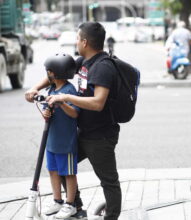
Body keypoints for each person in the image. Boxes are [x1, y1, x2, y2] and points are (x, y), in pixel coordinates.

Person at [25, 22, 122, 220]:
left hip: (101, 135)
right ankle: (74, 207)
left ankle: (111, 217)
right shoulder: (83, 62)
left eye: (77, 38)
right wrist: (35, 88)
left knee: (108, 181)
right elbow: (56, 75)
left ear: (85, 42)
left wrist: (65, 97)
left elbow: (98, 103)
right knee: (62, 165)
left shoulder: (103, 67)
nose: (76, 42)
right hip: (83, 131)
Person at [42, 54, 80, 219]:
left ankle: (70, 204)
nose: (47, 74)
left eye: (48, 71)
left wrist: (61, 102)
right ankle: (57, 200)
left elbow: (74, 113)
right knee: (53, 170)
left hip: (66, 142)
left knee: (69, 173)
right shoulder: (51, 89)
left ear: (56, 72)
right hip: (52, 140)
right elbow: (46, 114)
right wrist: (46, 112)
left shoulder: (69, 91)